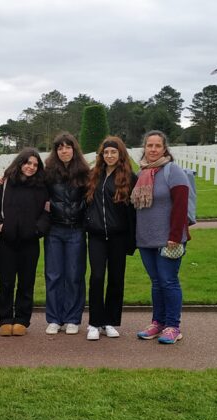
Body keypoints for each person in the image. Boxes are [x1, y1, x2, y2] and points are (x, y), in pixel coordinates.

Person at [131, 130, 191, 344]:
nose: (153, 149)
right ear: (144, 148)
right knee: (156, 282)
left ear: (165, 148)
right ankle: (158, 322)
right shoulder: (141, 173)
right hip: (146, 238)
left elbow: (181, 205)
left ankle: (173, 326)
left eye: (158, 146)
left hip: (169, 238)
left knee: (168, 281)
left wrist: (175, 235)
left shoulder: (172, 171)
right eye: (150, 145)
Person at [0, 148, 50, 337]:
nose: (31, 167)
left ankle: (22, 319)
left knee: (26, 282)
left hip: (29, 242)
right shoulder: (4, 183)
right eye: (28, 163)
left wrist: (38, 230)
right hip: (6, 241)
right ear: (20, 163)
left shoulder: (42, 187)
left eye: (35, 165)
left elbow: (47, 212)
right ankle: (5, 318)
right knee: (6, 282)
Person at [84, 136, 137, 341]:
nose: (109, 155)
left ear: (120, 153)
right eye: (106, 152)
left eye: (113, 152)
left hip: (118, 236)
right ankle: (94, 323)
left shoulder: (129, 178)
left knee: (116, 279)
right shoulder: (93, 175)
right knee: (97, 277)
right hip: (96, 235)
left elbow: (133, 210)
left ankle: (110, 321)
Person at [43, 132, 90, 335]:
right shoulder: (48, 173)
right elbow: (32, 188)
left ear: (74, 149)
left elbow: (90, 198)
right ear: (56, 151)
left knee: (74, 275)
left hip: (76, 230)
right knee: (53, 275)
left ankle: (72, 318)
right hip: (54, 230)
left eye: (68, 147)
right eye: (60, 147)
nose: (64, 151)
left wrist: (79, 212)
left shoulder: (84, 173)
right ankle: (54, 318)